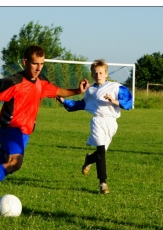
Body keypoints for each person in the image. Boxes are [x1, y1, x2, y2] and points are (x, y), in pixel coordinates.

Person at [0, 44, 88, 208]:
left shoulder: (41, 82)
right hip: (12, 130)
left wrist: (77, 91)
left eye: (41, 64)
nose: (38, 68)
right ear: (26, 62)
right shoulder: (13, 82)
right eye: (35, 63)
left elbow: (57, 91)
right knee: (15, 163)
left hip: (24, 134)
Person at [56, 59, 132, 194]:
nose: (98, 75)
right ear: (92, 74)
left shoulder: (116, 87)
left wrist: (114, 101)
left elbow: (128, 103)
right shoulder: (90, 91)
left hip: (112, 123)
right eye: (95, 73)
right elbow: (80, 105)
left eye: (101, 73)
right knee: (101, 152)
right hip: (97, 122)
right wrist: (63, 101)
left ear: (106, 73)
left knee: (100, 154)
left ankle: (89, 159)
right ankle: (103, 183)